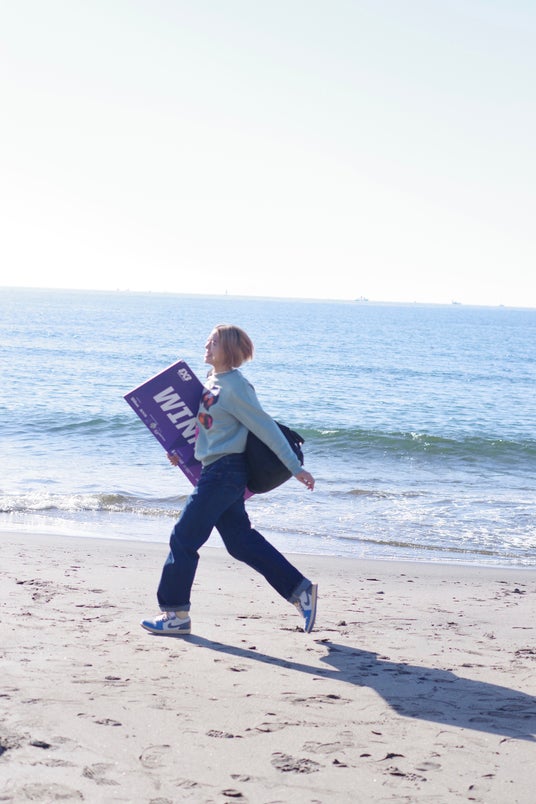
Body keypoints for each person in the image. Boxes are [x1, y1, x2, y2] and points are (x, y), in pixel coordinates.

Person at [141, 324, 318, 637]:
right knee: (239, 542)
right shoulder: (213, 382)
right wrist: (183, 454)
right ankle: (299, 590)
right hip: (216, 470)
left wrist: (295, 468)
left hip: (224, 473)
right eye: (208, 340)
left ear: (230, 350)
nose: (206, 345)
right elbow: (211, 432)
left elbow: (265, 427)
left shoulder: (236, 386)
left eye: (214, 342)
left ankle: (175, 614)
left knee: (184, 537)